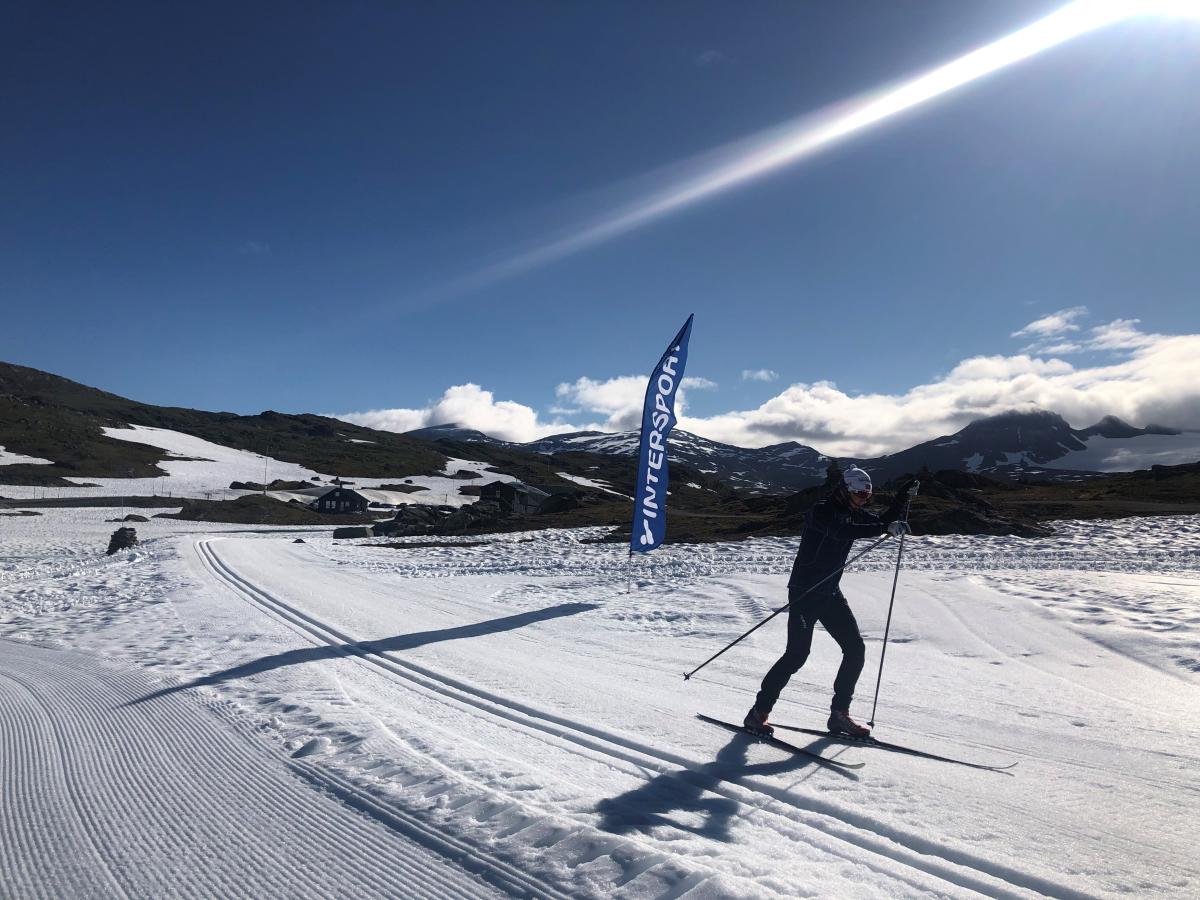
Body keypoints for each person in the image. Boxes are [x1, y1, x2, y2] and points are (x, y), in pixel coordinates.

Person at [745, 466, 916, 739]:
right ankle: (758, 714)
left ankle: (839, 715)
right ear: (845, 490)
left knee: (855, 649)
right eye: (859, 494)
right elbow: (842, 532)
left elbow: (880, 519)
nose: (863, 499)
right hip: (805, 591)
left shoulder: (852, 511)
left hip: (830, 592)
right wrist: (885, 527)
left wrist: (902, 499)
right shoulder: (822, 510)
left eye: (867, 496)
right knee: (797, 656)